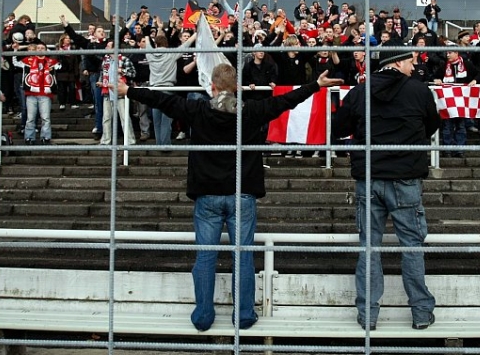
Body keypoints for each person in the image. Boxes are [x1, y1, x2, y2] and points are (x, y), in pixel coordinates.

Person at [116, 64, 342, 331]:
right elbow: (286, 101)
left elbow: (161, 99)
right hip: (242, 193)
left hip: (207, 194)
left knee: (205, 257)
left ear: (212, 87)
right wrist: (316, 85)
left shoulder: (197, 110)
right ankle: (243, 315)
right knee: (243, 258)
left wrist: (128, 90)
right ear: (237, 87)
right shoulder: (252, 111)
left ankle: (203, 316)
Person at [332, 49, 440, 331]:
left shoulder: (359, 92)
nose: (414, 67)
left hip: (369, 177)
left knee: (369, 247)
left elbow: (338, 127)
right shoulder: (419, 90)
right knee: (412, 247)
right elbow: (432, 124)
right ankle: (421, 312)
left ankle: (368, 314)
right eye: (411, 62)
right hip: (406, 177)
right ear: (398, 62)